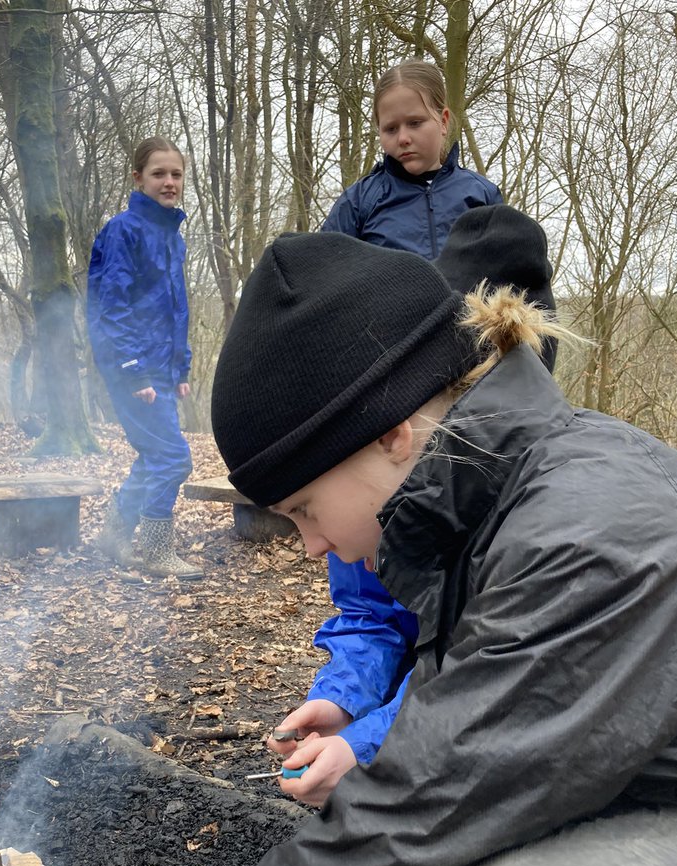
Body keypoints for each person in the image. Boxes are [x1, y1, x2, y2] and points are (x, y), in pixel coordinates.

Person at [122, 210, 677, 866]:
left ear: (395, 431)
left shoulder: (593, 538)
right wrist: (370, 728)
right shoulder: (475, 497)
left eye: (302, 510)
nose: (311, 546)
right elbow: (480, 708)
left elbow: (435, 801)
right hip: (654, 783)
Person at [270, 60, 503, 804]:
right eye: (388, 127)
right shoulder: (363, 201)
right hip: (378, 384)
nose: (401, 137)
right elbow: (367, 611)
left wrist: (367, 745)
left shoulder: (479, 198)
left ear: (445, 120)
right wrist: (342, 704)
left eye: (414, 123)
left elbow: (486, 668)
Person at [86, 136, 202, 579]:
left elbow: (175, 307)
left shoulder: (172, 235)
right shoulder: (124, 230)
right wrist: (133, 370)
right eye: (159, 174)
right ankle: (156, 550)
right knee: (173, 458)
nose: (169, 182)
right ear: (138, 178)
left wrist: (181, 367)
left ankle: (113, 535)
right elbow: (111, 307)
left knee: (154, 455)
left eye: (176, 174)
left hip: (159, 367)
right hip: (130, 367)